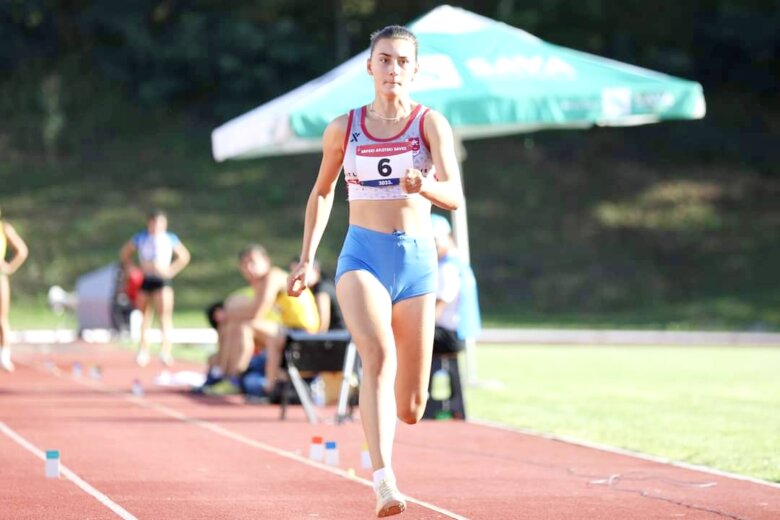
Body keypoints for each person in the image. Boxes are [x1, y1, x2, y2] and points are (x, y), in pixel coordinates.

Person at [287, 25, 463, 517]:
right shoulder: (344, 128)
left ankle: (397, 428)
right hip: (362, 255)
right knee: (377, 353)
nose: (392, 69)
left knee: (412, 405)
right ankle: (384, 480)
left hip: (417, 263)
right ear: (369, 66)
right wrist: (306, 257)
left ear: (415, 70)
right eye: (384, 59)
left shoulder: (430, 125)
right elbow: (323, 192)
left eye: (402, 61)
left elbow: (454, 195)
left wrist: (424, 186)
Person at [204, 244, 319, 396]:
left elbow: (257, 313)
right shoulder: (261, 283)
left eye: (253, 262)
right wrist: (230, 318)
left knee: (245, 327)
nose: (249, 268)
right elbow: (253, 311)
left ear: (266, 261)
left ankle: (235, 377)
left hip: (303, 332)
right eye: (245, 265)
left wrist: (229, 315)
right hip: (290, 329)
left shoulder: (273, 277)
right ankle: (222, 372)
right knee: (232, 325)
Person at [119, 209, 190, 367]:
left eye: (160, 223)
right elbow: (125, 253)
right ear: (149, 223)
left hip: (161, 280)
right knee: (144, 317)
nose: (157, 226)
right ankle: (143, 350)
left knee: (164, 317)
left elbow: (184, 256)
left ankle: (165, 352)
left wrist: (171, 270)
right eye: (154, 223)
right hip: (145, 279)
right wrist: (131, 268)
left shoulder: (170, 238)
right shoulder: (141, 237)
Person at [430, 213, 481, 355]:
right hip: (458, 332)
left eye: (434, 240)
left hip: (450, 334)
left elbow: (438, 307)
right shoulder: (458, 261)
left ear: (447, 237)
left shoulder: (447, 267)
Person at [0, 208, 29, 372]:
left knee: (1, 317)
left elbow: (22, 251)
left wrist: (9, 267)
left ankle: (4, 355)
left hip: (0, 277)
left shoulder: (4, 229)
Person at [290, 257, 345, 332]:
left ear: (316, 271)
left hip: (337, 335)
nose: (296, 277)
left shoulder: (322, 289)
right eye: (293, 272)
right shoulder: (310, 290)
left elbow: (323, 323)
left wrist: (313, 337)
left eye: (300, 272)